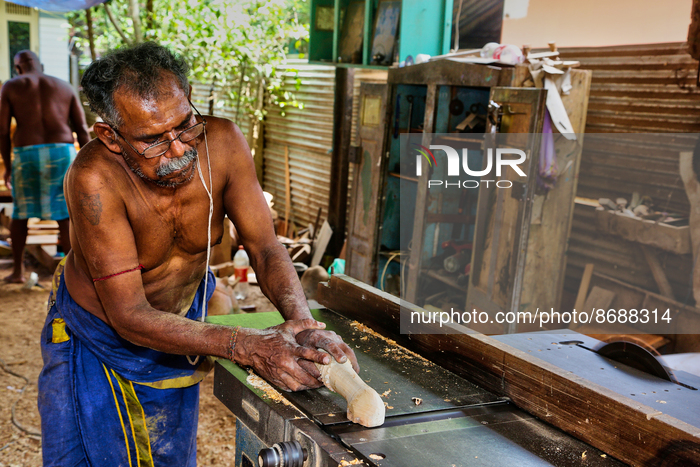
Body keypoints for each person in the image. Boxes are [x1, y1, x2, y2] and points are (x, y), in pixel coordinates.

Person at [37, 42, 358, 467]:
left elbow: (263, 247)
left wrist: (301, 322)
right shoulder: (93, 178)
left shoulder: (222, 141)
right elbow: (129, 314)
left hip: (177, 326)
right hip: (99, 335)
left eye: (185, 125)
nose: (178, 150)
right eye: (152, 140)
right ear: (110, 137)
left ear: (189, 96)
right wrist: (242, 344)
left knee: (167, 451)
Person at [0, 50, 90, 283]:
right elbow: (80, 127)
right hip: (62, 152)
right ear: (41, 64)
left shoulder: (11, 86)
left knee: (20, 213)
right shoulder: (64, 86)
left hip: (27, 154)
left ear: (18, 68)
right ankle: (72, 274)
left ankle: (18, 272)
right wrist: (90, 163)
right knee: (64, 214)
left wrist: (8, 167)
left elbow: (2, 131)